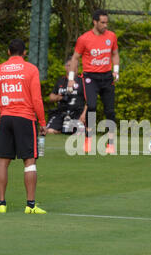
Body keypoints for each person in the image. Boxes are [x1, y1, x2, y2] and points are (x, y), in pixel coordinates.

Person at [0, 39, 47, 215]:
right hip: (25, 118)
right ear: (24, 53)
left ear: (8, 52)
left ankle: (1, 204)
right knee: (29, 162)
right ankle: (30, 205)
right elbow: (36, 99)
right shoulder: (31, 69)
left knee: (2, 162)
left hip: (6, 118)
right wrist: (42, 122)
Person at [67, 9, 120, 153]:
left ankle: (110, 143)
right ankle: (88, 139)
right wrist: (71, 79)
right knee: (91, 106)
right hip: (90, 77)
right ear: (94, 22)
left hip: (107, 77)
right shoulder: (84, 39)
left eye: (106, 22)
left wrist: (116, 70)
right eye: (102, 23)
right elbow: (75, 58)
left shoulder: (111, 36)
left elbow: (115, 54)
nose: (105, 25)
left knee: (110, 111)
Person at [47, 56, 87, 135]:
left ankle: (66, 129)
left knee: (79, 133)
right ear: (65, 67)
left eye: (74, 66)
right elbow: (51, 97)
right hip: (61, 112)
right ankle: (61, 129)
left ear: (77, 68)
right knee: (49, 131)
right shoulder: (61, 81)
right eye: (69, 65)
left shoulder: (83, 81)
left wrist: (84, 114)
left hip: (77, 113)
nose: (72, 68)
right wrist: (59, 97)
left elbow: (90, 100)